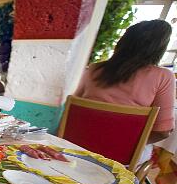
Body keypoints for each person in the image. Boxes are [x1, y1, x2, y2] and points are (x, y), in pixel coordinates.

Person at [74, 20, 175, 150]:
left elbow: (74, 107)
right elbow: (163, 130)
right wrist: (129, 145)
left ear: (122, 42)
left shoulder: (94, 69)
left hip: (77, 146)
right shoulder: (163, 77)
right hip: (120, 156)